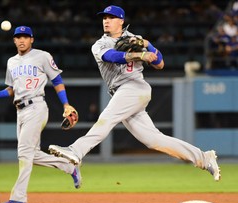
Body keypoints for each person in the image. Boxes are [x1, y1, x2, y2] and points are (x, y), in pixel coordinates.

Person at [49, 5, 221, 182]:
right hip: (123, 93)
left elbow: (160, 64)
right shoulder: (100, 44)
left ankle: (76, 151)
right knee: (154, 140)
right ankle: (203, 158)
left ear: (121, 21)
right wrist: (139, 55)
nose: (106, 21)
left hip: (134, 87)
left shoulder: (135, 39)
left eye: (111, 17)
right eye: (104, 18)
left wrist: (148, 45)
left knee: (107, 118)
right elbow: (112, 57)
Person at [0, 26, 81, 203]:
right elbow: (12, 89)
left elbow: (57, 80)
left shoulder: (42, 56)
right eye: (18, 37)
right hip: (20, 110)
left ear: (32, 39)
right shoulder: (11, 62)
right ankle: (69, 167)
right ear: (14, 40)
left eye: (25, 37)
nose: (22, 40)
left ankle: (18, 198)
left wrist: (66, 104)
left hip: (36, 107)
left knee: (24, 153)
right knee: (32, 154)